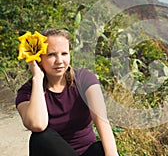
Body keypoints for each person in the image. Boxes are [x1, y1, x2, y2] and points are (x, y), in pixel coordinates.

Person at [15, 28, 119, 156]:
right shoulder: (27, 92)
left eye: (64, 53)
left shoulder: (85, 79)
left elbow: (102, 121)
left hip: (87, 152)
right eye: (51, 54)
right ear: (38, 57)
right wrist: (37, 77)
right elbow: (37, 125)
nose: (59, 61)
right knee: (41, 137)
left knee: (103, 148)